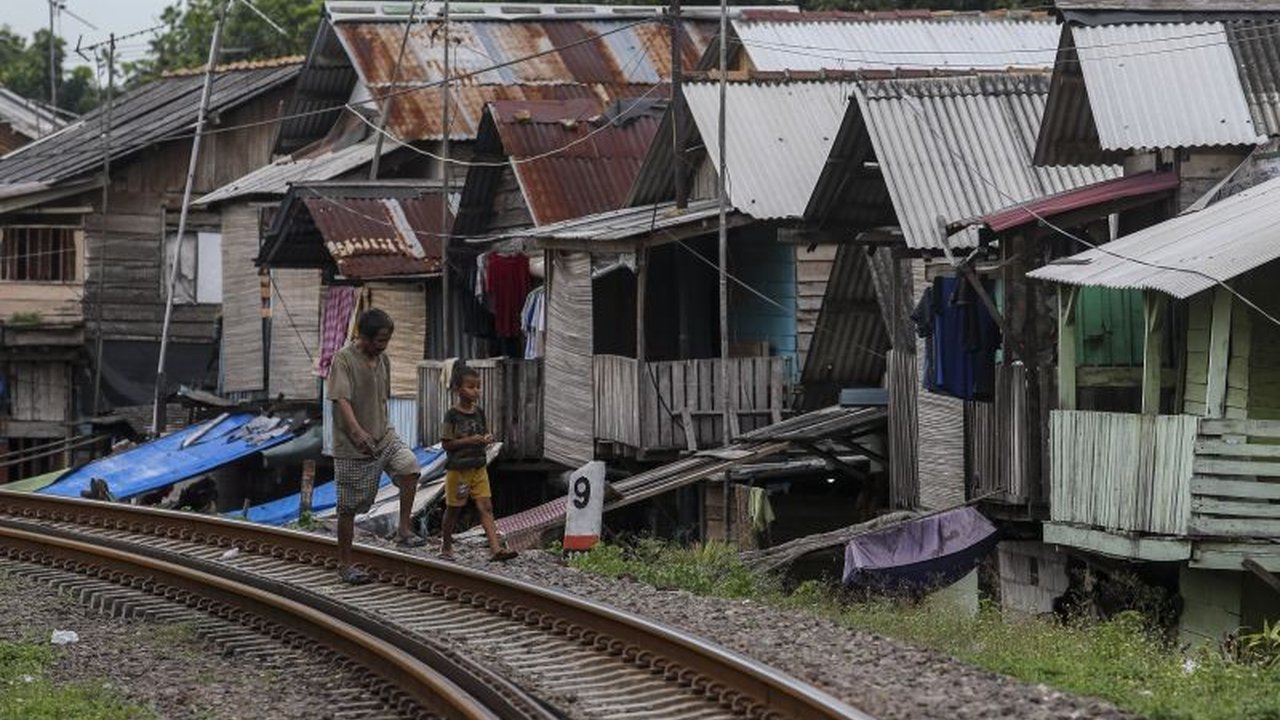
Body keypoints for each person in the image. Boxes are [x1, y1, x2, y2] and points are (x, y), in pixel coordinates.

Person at [328, 308, 426, 585]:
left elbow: (382, 398)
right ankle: (345, 564)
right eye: (380, 340)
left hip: (384, 436)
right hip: (352, 446)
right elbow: (341, 399)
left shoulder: (383, 361)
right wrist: (357, 431)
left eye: (387, 340)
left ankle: (403, 530)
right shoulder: (343, 360)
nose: (384, 345)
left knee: (410, 468)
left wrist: (380, 428)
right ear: (364, 336)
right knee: (348, 507)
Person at [439, 366, 517, 562]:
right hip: (459, 470)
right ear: (457, 389)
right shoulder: (452, 415)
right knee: (454, 508)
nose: (476, 391)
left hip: (479, 467)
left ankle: (496, 549)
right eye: (471, 386)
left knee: (486, 506)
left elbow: (482, 433)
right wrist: (469, 441)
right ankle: (446, 545)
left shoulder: (479, 412)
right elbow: (446, 444)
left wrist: (486, 438)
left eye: (478, 387)